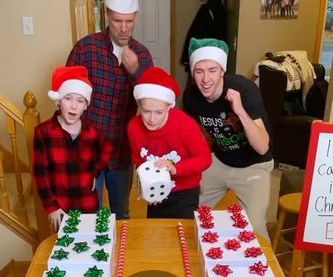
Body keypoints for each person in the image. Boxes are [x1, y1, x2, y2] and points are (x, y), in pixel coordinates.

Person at [66, 0, 153, 219]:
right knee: (88, 213)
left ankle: (120, 254)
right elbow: (66, 96)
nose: (124, 28)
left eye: (129, 22)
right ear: (107, 15)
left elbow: (152, 106)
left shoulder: (142, 55)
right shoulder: (85, 49)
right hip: (87, 149)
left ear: (135, 19)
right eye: (117, 21)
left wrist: (136, 71)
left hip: (121, 151)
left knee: (121, 212)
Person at [183, 38, 274, 239]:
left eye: (212, 70)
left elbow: (262, 147)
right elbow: (196, 137)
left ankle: (267, 269)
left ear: (222, 70)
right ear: (192, 73)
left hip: (254, 165)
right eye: (199, 71)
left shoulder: (245, 90)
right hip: (221, 161)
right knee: (188, 209)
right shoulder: (190, 97)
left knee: (255, 228)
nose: (205, 79)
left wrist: (240, 111)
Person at [32, 65, 111, 232]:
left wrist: (95, 171)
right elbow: (40, 174)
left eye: (80, 100)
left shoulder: (93, 132)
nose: (74, 106)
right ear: (59, 100)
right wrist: (51, 206)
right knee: (64, 249)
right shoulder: (43, 132)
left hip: (88, 204)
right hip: (60, 208)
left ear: (85, 105)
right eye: (68, 98)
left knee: (89, 244)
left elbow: (106, 150)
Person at [127, 66, 212, 219]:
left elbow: (205, 159)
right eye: (146, 111)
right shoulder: (133, 127)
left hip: (185, 191)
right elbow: (138, 160)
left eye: (159, 112)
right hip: (155, 194)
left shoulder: (185, 124)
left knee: (183, 237)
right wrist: (144, 187)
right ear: (139, 105)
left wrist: (175, 168)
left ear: (169, 106)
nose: (152, 119)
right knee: (157, 235)